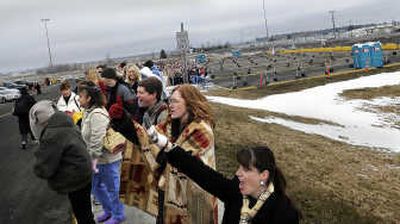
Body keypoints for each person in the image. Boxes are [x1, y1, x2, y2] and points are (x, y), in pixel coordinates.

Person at [110, 84, 218, 224]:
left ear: (190, 102)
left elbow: (186, 163)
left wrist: (161, 153)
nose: (170, 105)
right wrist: (124, 121)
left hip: (194, 198)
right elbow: (146, 139)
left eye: (175, 101)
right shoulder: (170, 124)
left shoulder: (202, 130)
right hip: (167, 193)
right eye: (169, 101)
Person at [148, 134, 301, 224]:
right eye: (239, 167)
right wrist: (167, 145)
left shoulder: (284, 213)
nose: (238, 173)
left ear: (264, 175)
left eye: (246, 169)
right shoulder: (237, 191)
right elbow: (204, 174)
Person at [29, 100, 95, 224]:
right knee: (85, 212)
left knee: (83, 216)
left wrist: (39, 154)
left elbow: (43, 168)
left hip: (75, 179)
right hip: (84, 173)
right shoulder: (66, 123)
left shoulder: (52, 135)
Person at [116, 77, 169, 220]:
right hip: (152, 164)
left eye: (141, 93)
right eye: (137, 92)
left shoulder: (163, 114)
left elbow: (156, 143)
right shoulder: (146, 112)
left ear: (154, 95)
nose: (137, 95)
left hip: (162, 169)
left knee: (163, 207)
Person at [79, 82, 125, 224]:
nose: (79, 99)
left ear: (89, 99)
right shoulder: (87, 112)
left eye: (81, 96)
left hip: (106, 159)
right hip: (96, 159)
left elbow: (97, 139)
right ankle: (109, 210)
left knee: (112, 189)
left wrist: (93, 160)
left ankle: (118, 215)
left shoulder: (97, 114)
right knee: (95, 187)